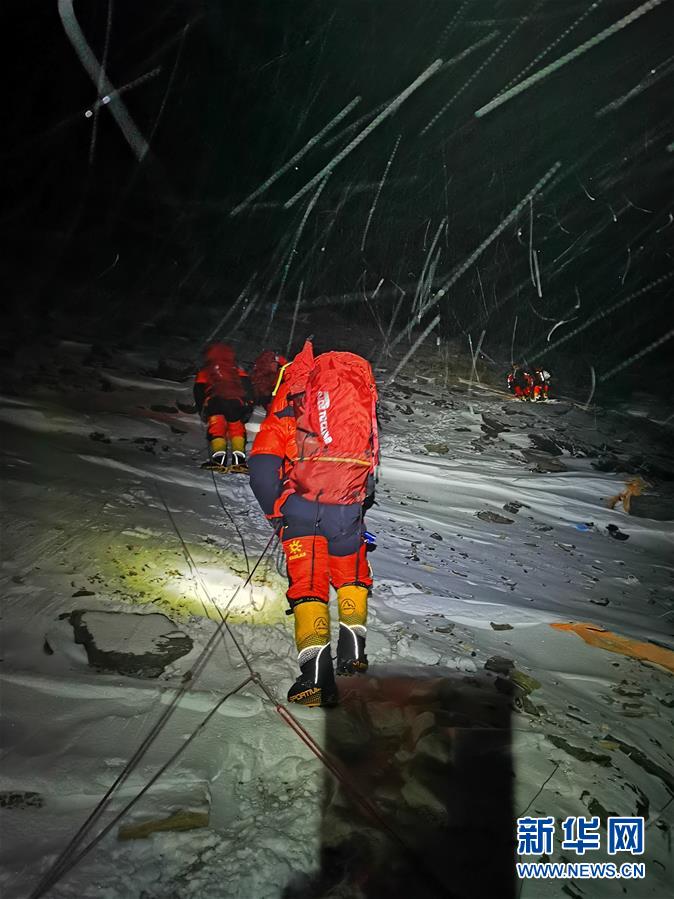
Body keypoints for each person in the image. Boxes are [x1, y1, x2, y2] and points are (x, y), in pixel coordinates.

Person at [248, 340, 378, 708]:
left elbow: (260, 471)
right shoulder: (346, 409)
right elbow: (368, 471)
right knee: (351, 574)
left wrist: (277, 515)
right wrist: (352, 503)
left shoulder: (287, 409)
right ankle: (352, 653)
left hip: (302, 508)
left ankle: (316, 678)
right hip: (346, 507)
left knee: (309, 587)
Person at [193, 343, 252, 466]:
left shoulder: (206, 370)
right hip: (235, 403)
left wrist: (202, 410)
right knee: (237, 430)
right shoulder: (236, 368)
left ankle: (219, 461)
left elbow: (198, 391)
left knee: (217, 430)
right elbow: (247, 387)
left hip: (215, 403)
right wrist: (249, 405)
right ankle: (239, 461)